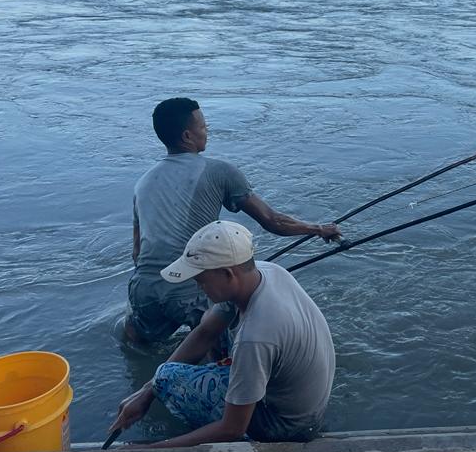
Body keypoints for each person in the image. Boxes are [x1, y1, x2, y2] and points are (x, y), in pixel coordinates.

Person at [127, 97, 340, 344]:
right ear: (187, 136)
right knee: (222, 358)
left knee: (140, 348)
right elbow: (273, 221)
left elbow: (137, 252)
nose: (207, 131)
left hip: (143, 289)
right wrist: (319, 229)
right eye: (203, 126)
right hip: (192, 288)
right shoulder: (219, 171)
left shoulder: (142, 183)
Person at [110, 220, 335, 446]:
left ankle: (236, 408)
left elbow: (232, 429)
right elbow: (206, 332)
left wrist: (155, 449)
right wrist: (146, 390)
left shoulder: (255, 337)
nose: (198, 287)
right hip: (300, 402)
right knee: (209, 321)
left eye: (201, 280)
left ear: (228, 274)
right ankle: (238, 392)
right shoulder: (268, 271)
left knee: (168, 378)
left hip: (287, 427)